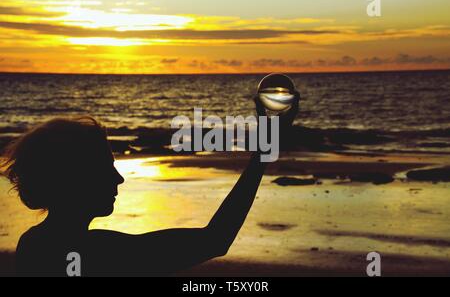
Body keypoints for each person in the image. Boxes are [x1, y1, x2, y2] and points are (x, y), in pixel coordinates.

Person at [1, 95, 299, 276]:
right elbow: (215, 240)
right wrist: (262, 154)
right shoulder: (94, 252)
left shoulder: (34, 244)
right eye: (106, 169)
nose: (119, 179)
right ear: (75, 178)